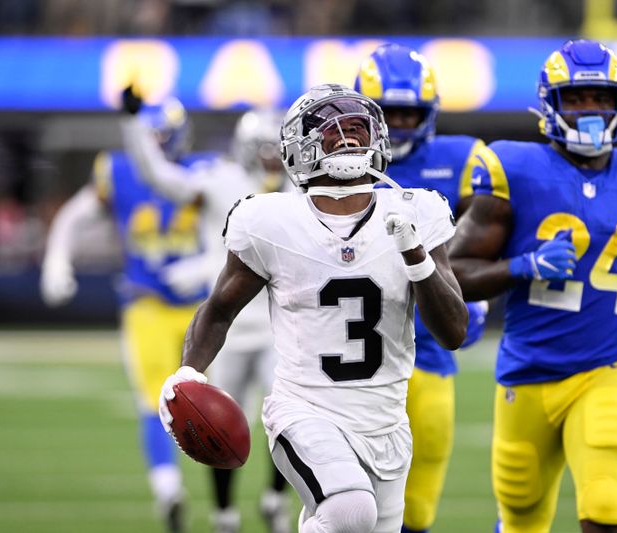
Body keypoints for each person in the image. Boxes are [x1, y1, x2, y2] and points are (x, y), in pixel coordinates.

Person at [158, 83, 470, 533]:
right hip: (305, 411)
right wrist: (188, 372)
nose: (348, 140)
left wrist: (416, 257)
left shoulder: (416, 210)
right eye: (332, 132)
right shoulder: (269, 221)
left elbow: (454, 332)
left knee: (346, 520)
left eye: (357, 129)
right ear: (299, 147)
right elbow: (220, 308)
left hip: (387, 424)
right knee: (350, 512)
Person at [448, 39, 617, 533]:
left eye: (601, 98)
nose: (590, 110)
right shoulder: (514, 168)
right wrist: (522, 266)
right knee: (523, 517)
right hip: (528, 372)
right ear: (551, 104)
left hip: (608, 366)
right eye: (577, 98)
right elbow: (451, 274)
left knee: (606, 505)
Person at [119, 93, 293, 533]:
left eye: (279, 149)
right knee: (218, 427)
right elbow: (158, 176)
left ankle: (274, 498)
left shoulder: (299, 189)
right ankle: (225, 515)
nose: (273, 158)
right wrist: (135, 124)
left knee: (292, 422)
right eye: (266, 148)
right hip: (229, 330)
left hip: (280, 328)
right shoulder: (220, 179)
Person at [40, 95, 204, 533]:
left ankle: (211, 501)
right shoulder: (120, 170)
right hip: (147, 299)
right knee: (153, 397)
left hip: (202, 306)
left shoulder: (203, 172)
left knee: (218, 403)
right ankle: (169, 490)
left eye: (161, 138)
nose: (153, 147)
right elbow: (75, 216)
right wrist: (57, 258)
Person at [354, 43, 488, 533]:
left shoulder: (463, 159)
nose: (401, 124)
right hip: (355, 359)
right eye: (390, 113)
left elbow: (487, 235)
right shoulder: (336, 166)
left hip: (429, 352)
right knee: (348, 504)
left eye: (410, 112)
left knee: (418, 509)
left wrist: (481, 297)